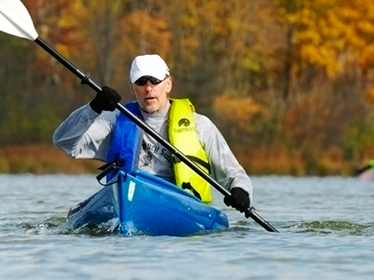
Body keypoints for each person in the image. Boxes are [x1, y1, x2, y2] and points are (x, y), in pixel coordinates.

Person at [52, 53, 254, 213]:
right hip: (128, 199)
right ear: (133, 88)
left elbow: (235, 174)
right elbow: (63, 141)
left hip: (183, 206)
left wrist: (241, 192)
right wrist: (93, 108)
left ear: (168, 84)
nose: (148, 88)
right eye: (141, 82)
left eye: (155, 81)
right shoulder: (113, 121)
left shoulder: (200, 125)